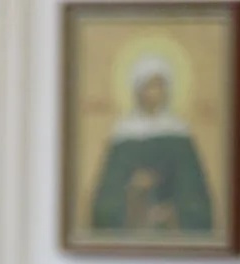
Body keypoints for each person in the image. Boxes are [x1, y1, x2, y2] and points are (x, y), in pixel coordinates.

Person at [89, 55, 214, 235]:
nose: (156, 92)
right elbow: (107, 199)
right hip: (132, 225)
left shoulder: (180, 133)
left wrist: (172, 210)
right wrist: (133, 188)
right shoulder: (123, 135)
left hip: (172, 227)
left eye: (160, 86)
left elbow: (194, 192)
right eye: (149, 86)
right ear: (137, 91)